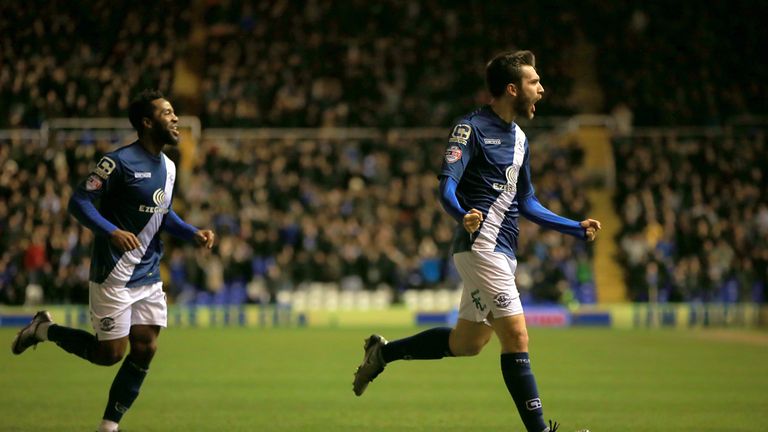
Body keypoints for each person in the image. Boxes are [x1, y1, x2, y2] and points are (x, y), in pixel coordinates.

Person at [352, 50, 600, 432]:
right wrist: (461, 215)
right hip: (481, 245)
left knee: (467, 343)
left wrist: (573, 227)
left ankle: (383, 353)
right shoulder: (470, 128)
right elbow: (446, 185)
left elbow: (526, 201)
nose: (542, 89)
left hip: (501, 249)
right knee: (517, 336)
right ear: (512, 89)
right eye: (535, 82)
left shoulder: (520, 139)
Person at [11, 89, 216, 432]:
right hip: (114, 274)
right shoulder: (116, 163)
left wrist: (192, 232)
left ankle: (109, 426)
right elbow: (79, 202)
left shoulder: (169, 166)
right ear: (147, 123)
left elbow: (161, 213)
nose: (176, 118)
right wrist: (110, 232)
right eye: (167, 113)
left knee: (146, 347)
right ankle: (44, 330)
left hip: (148, 273)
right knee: (109, 354)